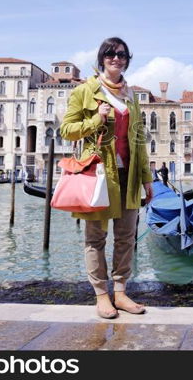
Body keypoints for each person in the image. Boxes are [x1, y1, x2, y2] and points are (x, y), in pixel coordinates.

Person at [60, 37, 153, 319]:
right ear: (102, 58)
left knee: (126, 237)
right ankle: (102, 295)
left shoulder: (131, 95)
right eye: (111, 54)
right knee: (96, 238)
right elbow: (67, 130)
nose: (117, 58)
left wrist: (147, 179)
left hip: (129, 175)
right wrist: (96, 121)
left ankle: (121, 293)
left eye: (122, 54)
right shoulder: (86, 91)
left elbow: (138, 139)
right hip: (100, 174)